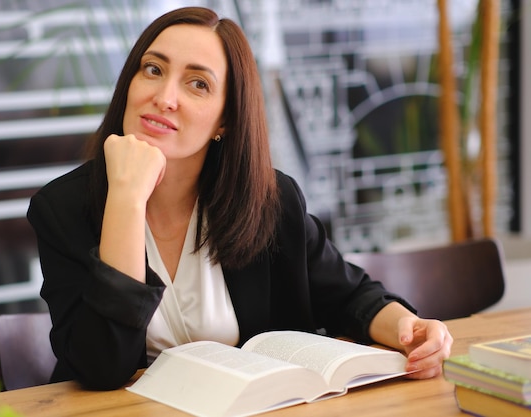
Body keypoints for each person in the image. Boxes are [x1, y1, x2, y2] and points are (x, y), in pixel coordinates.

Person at [27, 6, 452, 391]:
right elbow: (102, 367)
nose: (164, 97)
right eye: (153, 69)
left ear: (225, 120)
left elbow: (349, 295)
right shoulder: (62, 209)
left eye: (197, 83)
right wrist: (125, 197)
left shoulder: (270, 200)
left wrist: (410, 328)